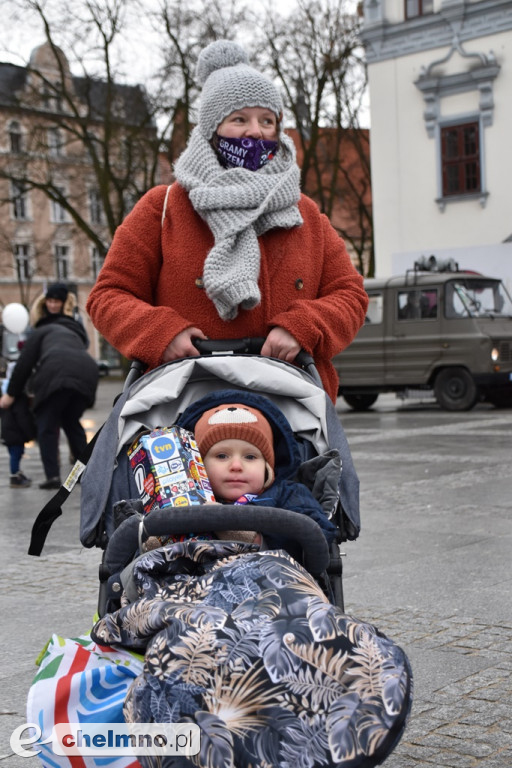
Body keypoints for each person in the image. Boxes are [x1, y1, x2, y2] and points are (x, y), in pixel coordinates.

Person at [86, 39, 368, 403]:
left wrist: (303, 328)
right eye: (240, 119)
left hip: (290, 411)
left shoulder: (305, 214)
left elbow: (350, 296)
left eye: (267, 120)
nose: (256, 132)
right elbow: (108, 296)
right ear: (211, 129)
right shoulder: (164, 207)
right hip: (182, 407)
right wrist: (161, 333)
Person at [188, 393, 337, 549]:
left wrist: (247, 536)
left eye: (250, 457)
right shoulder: (188, 498)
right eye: (222, 456)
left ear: (267, 466)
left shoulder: (288, 495)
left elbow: (319, 536)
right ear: (200, 465)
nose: (236, 466)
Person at [0, 283, 99, 489]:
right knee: (72, 423)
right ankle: (84, 473)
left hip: (56, 373)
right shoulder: (76, 329)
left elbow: (24, 364)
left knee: (47, 426)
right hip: (87, 372)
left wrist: (10, 394)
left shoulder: (42, 330)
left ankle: (53, 477)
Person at [1, 359, 35, 488]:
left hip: (8, 432)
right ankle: (14, 476)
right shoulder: (18, 397)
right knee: (16, 454)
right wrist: (29, 433)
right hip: (15, 433)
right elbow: (22, 417)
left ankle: (17, 473)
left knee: (15, 454)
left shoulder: (6, 396)